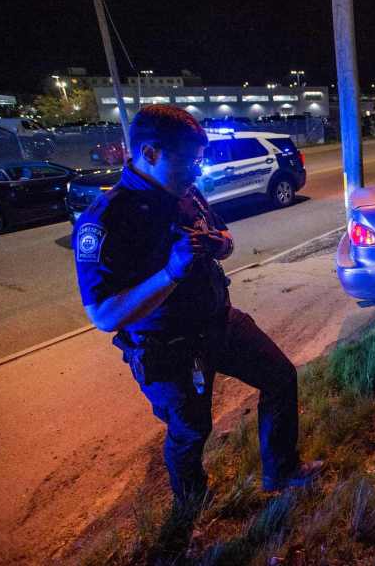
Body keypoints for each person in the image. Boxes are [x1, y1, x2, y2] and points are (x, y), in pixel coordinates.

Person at [73, 105, 319, 508]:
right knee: (191, 430)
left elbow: (224, 236)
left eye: (199, 160)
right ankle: (192, 505)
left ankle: (282, 472)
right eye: (188, 160)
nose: (196, 170)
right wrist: (171, 271)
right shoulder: (106, 219)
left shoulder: (186, 190)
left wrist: (221, 244)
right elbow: (103, 315)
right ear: (150, 153)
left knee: (280, 377)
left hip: (219, 323)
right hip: (168, 348)